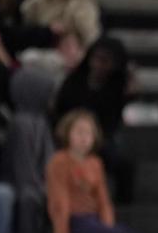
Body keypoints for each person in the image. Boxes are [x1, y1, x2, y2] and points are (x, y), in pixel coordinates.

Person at [46, 109, 150, 233]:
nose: (84, 138)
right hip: (74, 221)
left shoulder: (95, 163)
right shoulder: (59, 162)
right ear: (68, 133)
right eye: (79, 132)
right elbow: (59, 202)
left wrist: (108, 227)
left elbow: (103, 200)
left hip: (94, 220)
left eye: (88, 133)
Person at [53, 37, 137, 202]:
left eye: (105, 61)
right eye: (96, 59)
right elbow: (60, 111)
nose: (98, 65)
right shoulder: (75, 81)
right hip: (70, 133)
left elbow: (114, 118)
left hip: (102, 136)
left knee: (122, 163)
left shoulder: (116, 87)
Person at [0, 68, 55, 233]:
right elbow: (22, 166)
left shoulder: (41, 121)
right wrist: (41, 186)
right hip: (20, 181)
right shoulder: (21, 123)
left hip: (38, 180)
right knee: (30, 198)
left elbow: (49, 159)